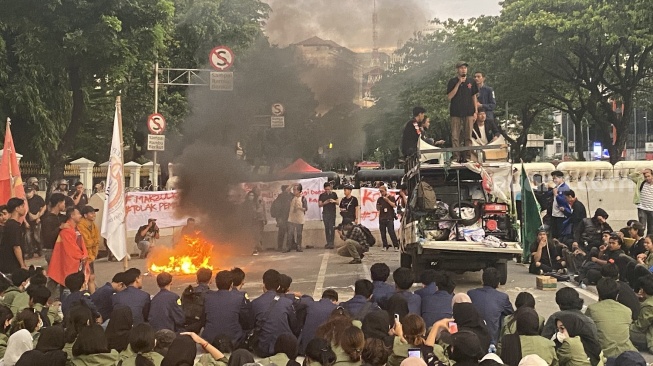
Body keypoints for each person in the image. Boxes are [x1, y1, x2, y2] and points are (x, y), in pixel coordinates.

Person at [584, 278, 636, 358]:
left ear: (599, 293)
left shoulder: (592, 309)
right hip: (627, 352)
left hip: (604, 354)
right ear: (617, 294)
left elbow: (586, 329)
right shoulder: (627, 310)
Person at [251, 269, 297, 358]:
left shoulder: (255, 303)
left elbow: (250, 325)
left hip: (263, 349)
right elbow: (294, 326)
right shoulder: (287, 302)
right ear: (278, 286)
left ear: (264, 285)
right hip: (284, 348)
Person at [202, 270, 251, 348]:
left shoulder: (207, 297)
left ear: (216, 283)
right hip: (234, 340)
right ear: (231, 284)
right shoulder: (239, 297)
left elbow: (203, 319)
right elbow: (246, 321)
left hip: (209, 341)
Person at [48, 207, 88, 300]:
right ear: (72, 215)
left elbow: (81, 244)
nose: (80, 216)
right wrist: (81, 256)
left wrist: (84, 254)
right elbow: (70, 248)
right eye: (78, 214)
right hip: (68, 262)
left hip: (77, 261)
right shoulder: (66, 231)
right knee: (67, 285)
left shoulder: (75, 229)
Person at [467, 268, 514, 345]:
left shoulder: (471, 294)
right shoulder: (502, 297)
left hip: (473, 338)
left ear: (482, 281)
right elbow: (511, 314)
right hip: (492, 340)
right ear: (498, 283)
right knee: (504, 315)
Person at [446, 61, 479, 163]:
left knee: (468, 136)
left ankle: (467, 157)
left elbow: (474, 96)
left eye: (465, 68)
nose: (463, 69)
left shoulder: (471, 82)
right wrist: (459, 83)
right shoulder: (452, 81)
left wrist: (476, 111)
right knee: (455, 136)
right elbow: (449, 97)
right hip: (455, 112)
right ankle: (456, 156)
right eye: (461, 68)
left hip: (469, 112)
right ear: (457, 69)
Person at [298, 289, 338, 355]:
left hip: (305, 348)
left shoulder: (310, 305)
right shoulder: (336, 309)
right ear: (335, 301)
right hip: (324, 351)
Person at [0, 198, 28, 273]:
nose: (24, 209)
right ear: (17, 208)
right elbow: (16, 247)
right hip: (11, 265)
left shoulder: (12, 224)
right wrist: (22, 265)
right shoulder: (13, 226)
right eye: (22, 206)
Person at [77, 205, 99, 293]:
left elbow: (97, 241)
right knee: (86, 278)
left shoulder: (93, 225)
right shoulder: (80, 225)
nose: (94, 215)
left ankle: (92, 295)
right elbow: (86, 243)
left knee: (91, 277)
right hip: (83, 256)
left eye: (94, 213)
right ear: (85, 215)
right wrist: (93, 242)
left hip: (91, 256)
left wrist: (94, 253)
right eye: (91, 213)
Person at [39, 193, 67, 264]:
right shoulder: (47, 219)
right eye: (63, 203)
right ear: (59, 203)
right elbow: (47, 237)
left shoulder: (61, 217)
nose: (64, 205)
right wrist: (59, 228)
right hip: (51, 250)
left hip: (60, 248)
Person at [629, 274, 653, 354]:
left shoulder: (648, 305)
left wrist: (629, 323)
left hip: (650, 337)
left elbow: (640, 326)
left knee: (625, 330)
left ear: (642, 290)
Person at [548, 171, 571, 240]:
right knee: (554, 233)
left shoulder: (565, 188)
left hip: (561, 215)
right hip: (555, 214)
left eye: (556, 178)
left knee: (559, 234)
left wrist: (556, 195)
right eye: (553, 179)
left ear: (561, 178)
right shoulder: (557, 187)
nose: (554, 180)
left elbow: (564, 201)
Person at [25, 187, 46, 259]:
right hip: (27, 221)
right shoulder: (24, 200)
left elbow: (44, 207)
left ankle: (40, 250)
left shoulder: (38, 198)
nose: (28, 194)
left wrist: (39, 216)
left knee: (37, 237)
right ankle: (31, 252)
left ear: (32, 192)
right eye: (26, 192)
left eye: (29, 192)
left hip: (37, 220)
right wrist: (25, 222)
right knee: (28, 238)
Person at [271, 185, 293, 252]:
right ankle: (280, 246)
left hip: (290, 217)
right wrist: (278, 218)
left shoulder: (291, 196)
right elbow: (277, 208)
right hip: (282, 218)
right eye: (288, 188)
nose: (290, 189)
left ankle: (290, 246)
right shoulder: (281, 197)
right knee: (282, 233)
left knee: (290, 232)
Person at [631, 168, 653, 235]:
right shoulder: (641, 182)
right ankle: (641, 241)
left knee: (651, 228)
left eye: (648, 176)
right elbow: (631, 176)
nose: (647, 178)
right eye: (645, 177)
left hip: (652, 209)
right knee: (641, 227)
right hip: (642, 208)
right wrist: (640, 172)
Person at [377, 185, 399, 251]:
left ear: (386, 191)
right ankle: (385, 245)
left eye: (382, 191)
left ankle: (396, 245)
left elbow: (394, 206)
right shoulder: (380, 199)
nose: (381, 193)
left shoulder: (391, 197)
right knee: (382, 233)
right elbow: (377, 208)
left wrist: (388, 201)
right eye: (380, 191)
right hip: (382, 217)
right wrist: (378, 206)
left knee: (391, 231)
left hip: (389, 217)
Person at [286, 184, 307, 253]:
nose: (294, 191)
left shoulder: (303, 198)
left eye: (295, 190)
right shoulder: (292, 197)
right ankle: (288, 247)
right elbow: (287, 190)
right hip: (292, 218)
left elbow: (305, 208)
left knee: (299, 233)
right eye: (294, 190)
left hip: (299, 218)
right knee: (290, 233)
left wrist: (299, 208)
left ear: (299, 191)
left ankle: (299, 246)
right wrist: (292, 185)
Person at [319, 182, 339, 250]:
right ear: (324, 189)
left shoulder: (334, 194)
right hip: (325, 214)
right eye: (326, 189)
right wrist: (325, 202)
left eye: (328, 189)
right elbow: (320, 204)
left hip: (332, 213)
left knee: (332, 228)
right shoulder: (322, 195)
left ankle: (332, 243)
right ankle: (328, 242)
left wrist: (333, 201)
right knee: (327, 228)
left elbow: (338, 202)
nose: (328, 190)